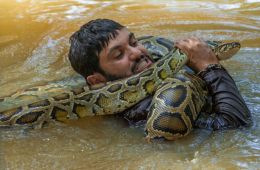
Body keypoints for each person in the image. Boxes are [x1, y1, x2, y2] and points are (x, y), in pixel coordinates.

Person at [68, 19, 252, 139]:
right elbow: (234, 128)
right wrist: (210, 67)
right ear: (96, 81)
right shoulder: (147, 111)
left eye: (133, 42)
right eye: (118, 55)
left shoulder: (158, 67)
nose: (137, 52)